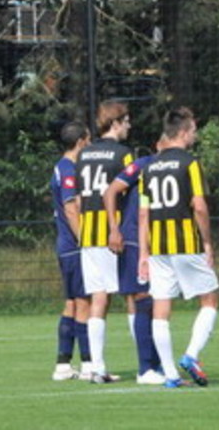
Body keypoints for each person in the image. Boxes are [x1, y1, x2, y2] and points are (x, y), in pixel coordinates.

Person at [138, 107, 219, 389]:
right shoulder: (190, 164)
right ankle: (191, 355)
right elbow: (199, 206)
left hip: (158, 248)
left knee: (161, 308)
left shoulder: (148, 167)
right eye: (193, 130)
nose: (195, 135)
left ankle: (171, 375)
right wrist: (207, 242)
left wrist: (143, 253)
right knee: (210, 299)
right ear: (183, 132)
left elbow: (143, 214)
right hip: (186, 244)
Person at [76, 100, 133, 384]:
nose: (129, 126)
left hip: (88, 233)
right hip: (114, 233)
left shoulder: (83, 154)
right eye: (126, 121)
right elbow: (130, 194)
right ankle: (149, 364)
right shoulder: (123, 154)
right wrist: (118, 229)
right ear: (115, 123)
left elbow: (79, 198)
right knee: (134, 295)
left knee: (99, 298)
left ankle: (96, 367)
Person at [103, 138, 164, 385]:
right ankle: (145, 368)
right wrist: (114, 229)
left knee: (157, 302)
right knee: (143, 299)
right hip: (134, 240)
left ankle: (157, 365)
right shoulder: (142, 164)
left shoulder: (178, 166)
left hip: (158, 243)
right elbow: (110, 191)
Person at [50, 121, 92, 381]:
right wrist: (84, 240)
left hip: (65, 245)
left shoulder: (61, 167)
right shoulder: (68, 169)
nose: (90, 145)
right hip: (74, 247)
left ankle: (63, 365)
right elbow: (70, 208)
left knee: (72, 304)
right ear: (80, 142)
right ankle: (88, 364)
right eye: (88, 141)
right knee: (85, 302)